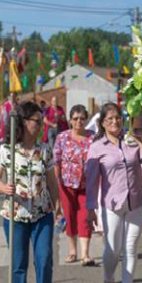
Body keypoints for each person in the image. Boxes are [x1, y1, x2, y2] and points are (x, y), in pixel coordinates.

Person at [0, 101, 61, 283]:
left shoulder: (45, 150)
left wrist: (57, 207)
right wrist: (4, 188)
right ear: (23, 122)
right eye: (36, 121)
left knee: (44, 259)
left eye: (41, 122)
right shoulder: (6, 150)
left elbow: (52, 182)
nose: (40, 125)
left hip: (42, 214)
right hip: (16, 215)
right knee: (19, 263)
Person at [86, 102, 142, 283]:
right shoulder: (97, 147)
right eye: (110, 119)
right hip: (112, 204)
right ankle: (108, 279)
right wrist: (90, 208)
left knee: (131, 246)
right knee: (113, 249)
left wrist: (138, 141)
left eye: (118, 118)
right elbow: (92, 180)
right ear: (102, 123)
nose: (115, 122)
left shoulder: (131, 142)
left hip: (137, 200)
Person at [54, 105, 94, 266]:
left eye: (82, 118)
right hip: (67, 184)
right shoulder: (62, 137)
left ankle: (85, 254)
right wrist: (56, 185)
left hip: (87, 184)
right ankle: (72, 250)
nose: (79, 122)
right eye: (75, 118)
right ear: (70, 120)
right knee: (69, 216)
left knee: (85, 217)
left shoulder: (93, 137)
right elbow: (56, 161)